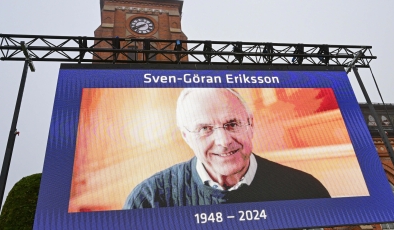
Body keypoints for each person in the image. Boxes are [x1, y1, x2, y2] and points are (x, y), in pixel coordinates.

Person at [123, 88, 330, 209]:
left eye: (232, 124)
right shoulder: (149, 198)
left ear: (251, 124)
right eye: (204, 128)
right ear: (186, 137)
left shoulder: (306, 189)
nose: (223, 141)